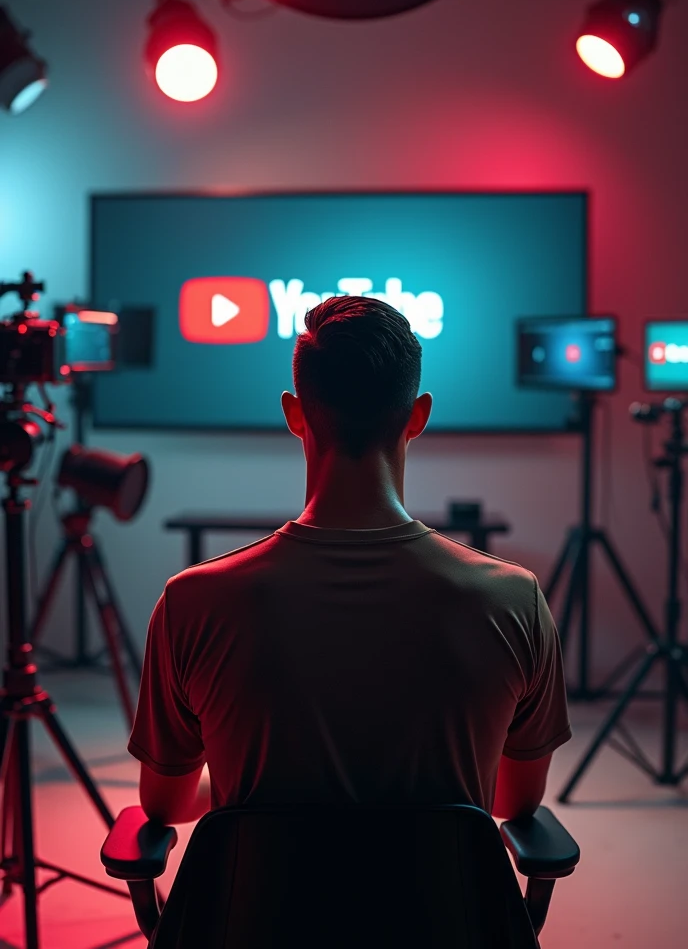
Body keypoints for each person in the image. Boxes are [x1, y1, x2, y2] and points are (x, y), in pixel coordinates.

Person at [129, 296, 571, 826]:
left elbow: (164, 805)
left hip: (257, 910)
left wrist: (242, 785)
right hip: (443, 910)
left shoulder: (191, 602)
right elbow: (513, 802)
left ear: (294, 414)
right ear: (418, 416)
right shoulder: (514, 600)